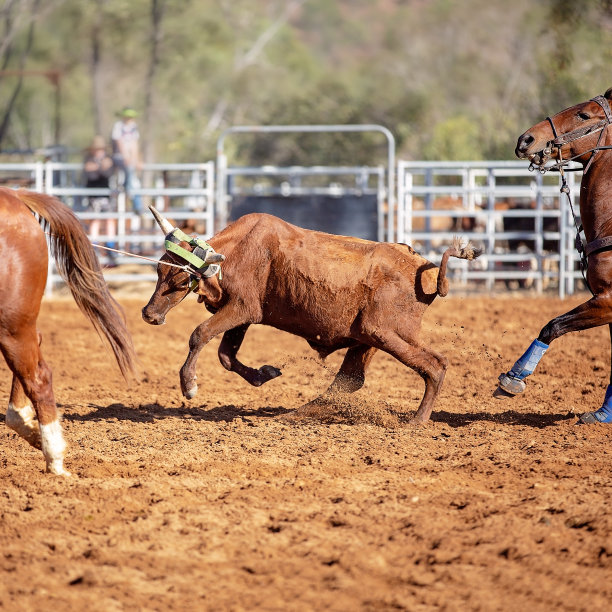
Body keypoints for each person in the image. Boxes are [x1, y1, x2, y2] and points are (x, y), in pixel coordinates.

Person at [83, 135, 117, 266]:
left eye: (100, 149)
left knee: (109, 218)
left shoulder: (107, 160)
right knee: (95, 219)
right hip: (93, 195)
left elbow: (107, 174)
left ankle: (110, 246)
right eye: (96, 149)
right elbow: (90, 175)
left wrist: (98, 168)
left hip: (105, 194)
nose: (98, 152)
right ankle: (95, 246)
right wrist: (100, 167)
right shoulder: (88, 160)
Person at [111, 106, 143, 215]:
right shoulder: (118, 126)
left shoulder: (134, 127)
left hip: (129, 159)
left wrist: (136, 159)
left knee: (133, 180)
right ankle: (137, 204)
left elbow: (134, 144)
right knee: (131, 176)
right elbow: (119, 143)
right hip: (120, 157)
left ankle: (127, 188)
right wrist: (126, 157)